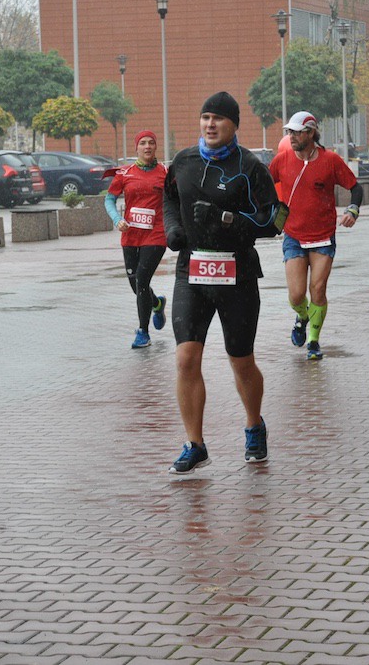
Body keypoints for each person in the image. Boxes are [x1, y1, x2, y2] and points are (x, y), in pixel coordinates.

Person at [162, 91, 285, 474]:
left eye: (218, 118)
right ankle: (194, 444)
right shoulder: (183, 161)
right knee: (186, 358)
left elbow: (275, 221)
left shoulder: (249, 167)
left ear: (234, 125)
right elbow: (168, 199)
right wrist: (173, 228)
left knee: (241, 360)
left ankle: (254, 425)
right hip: (192, 271)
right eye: (205, 117)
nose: (210, 124)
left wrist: (226, 219)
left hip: (237, 274)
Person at [268, 110, 361, 360]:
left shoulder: (330, 160)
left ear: (310, 133)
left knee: (317, 289)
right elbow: (262, 185)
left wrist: (353, 209)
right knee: (297, 294)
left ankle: (313, 341)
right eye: (289, 132)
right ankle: (302, 316)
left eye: (297, 132)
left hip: (323, 236)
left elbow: (355, 187)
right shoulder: (282, 159)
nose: (291, 136)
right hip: (294, 236)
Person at [104, 130, 168, 348]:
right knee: (136, 285)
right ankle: (157, 303)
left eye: (151, 142)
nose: (147, 146)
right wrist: (117, 219)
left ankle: (143, 332)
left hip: (156, 234)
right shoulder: (125, 173)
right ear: (136, 148)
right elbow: (109, 200)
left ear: (156, 147)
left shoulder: (165, 173)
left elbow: (176, 199)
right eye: (143, 143)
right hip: (130, 234)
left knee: (141, 280)